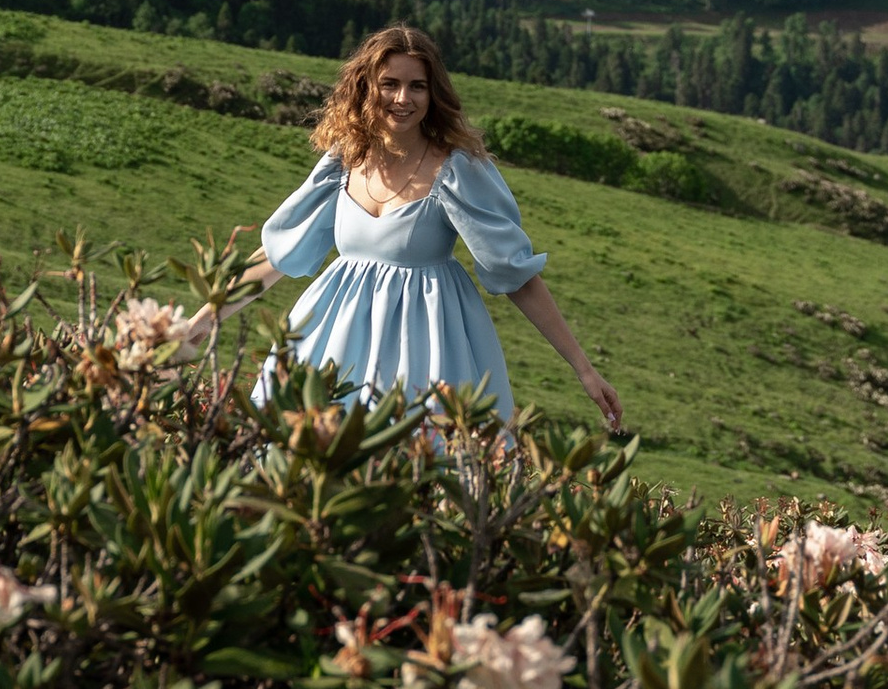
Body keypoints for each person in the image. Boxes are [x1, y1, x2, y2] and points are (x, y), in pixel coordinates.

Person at [235, 23, 624, 430]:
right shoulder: (342, 161)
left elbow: (515, 274)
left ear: (433, 93)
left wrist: (584, 369)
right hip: (334, 335)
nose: (403, 98)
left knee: (423, 458)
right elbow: (278, 254)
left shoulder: (457, 169)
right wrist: (200, 322)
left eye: (417, 86)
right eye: (389, 83)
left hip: (428, 343)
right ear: (366, 87)